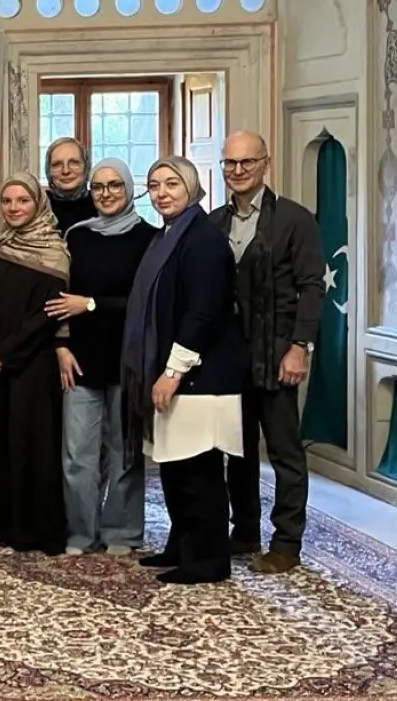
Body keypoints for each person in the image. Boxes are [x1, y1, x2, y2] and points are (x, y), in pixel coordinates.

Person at [125, 156, 247, 585]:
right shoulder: (170, 235)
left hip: (200, 377)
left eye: (172, 184)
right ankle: (182, 546)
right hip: (179, 372)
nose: (162, 193)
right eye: (154, 185)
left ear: (191, 187)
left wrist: (173, 371)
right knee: (175, 468)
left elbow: (202, 313)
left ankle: (208, 560)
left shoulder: (203, 240)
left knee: (199, 472)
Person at [210, 130, 325, 574]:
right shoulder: (215, 221)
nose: (238, 170)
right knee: (237, 452)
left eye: (247, 162)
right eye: (230, 162)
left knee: (284, 454)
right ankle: (244, 532)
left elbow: (311, 287)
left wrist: (300, 347)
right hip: (229, 358)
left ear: (265, 163)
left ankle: (286, 544)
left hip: (278, 353)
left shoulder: (295, 220)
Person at [49, 159, 156, 555]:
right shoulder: (77, 236)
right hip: (80, 360)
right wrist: (60, 346)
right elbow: (59, 297)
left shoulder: (149, 238)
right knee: (77, 455)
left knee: (125, 453)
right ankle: (81, 533)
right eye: (98, 187)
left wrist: (92, 304)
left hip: (128, 361)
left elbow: (146, 303)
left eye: (114, 185)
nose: (106, 193)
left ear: (129, 189)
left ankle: (122, 534)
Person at [0, 173, 69, 554]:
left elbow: (46, 316)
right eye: (7, 201)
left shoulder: (54, 253)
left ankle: (29, 530)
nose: (14, 208)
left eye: (23, 200)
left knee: (29, 445)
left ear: (38, 204)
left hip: (29, 367)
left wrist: (2, 353)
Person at [44, 138, 97, 233]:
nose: (66, 171)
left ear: (86, 167)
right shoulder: (39, 206)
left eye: (74, 163)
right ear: (48, 170)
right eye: (57, 164)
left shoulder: (101, 203)